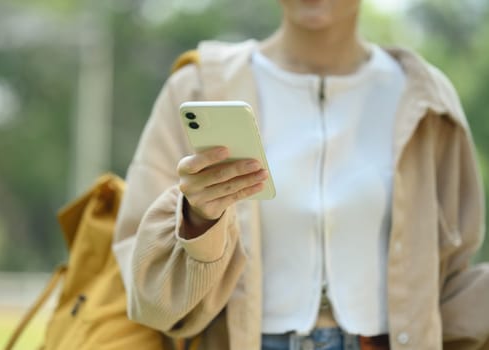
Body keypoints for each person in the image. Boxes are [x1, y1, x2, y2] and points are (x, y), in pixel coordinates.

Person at [113, 1, 489, 349]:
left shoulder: (425, 99)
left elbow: (449, 275)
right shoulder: (198, 88)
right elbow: (149, 296)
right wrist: (197, 220)